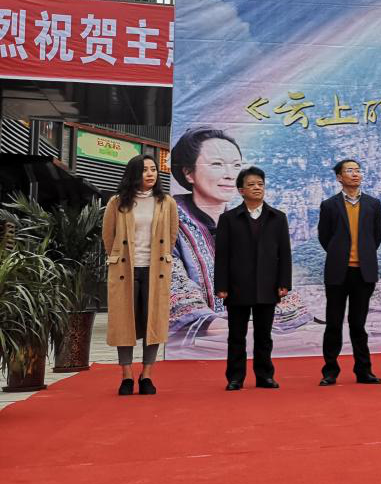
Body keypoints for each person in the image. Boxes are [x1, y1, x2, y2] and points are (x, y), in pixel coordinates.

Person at [169, 127, 310, 340]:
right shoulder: (171, 221)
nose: (230, 175)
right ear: (188, 172)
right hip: (202, 339)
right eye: (217, 164)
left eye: (236, 165)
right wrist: (213, 323)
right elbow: (172, 281)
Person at [103, 154, 177, 396]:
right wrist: (118, 258)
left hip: (156, 270)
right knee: (123, 322)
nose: (150, 174)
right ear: (134, 173)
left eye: (153, 169)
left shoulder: (166, 202)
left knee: (152, 321)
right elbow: (108, 236)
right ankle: (126, 375)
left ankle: (147, 375)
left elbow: (172, 235)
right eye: (145, 170)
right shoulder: (117, 202)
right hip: (125, 269)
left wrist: (162, 257)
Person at [214, 166, 291, 390]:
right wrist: (221, 285)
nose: (257, 188)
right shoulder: (228, 219)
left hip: (268, 285)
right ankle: (235, 377)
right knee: (236, 335)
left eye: (260, 184)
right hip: (237, 286)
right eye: (251, 185)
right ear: (241, 191)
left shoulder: (277, 218)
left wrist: (284, 282)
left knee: (264, 335)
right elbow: (222, 256)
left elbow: (284, 254)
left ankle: (265, 376)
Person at [317, 159, 381, 386]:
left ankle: (364, 371)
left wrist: (363, 255)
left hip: (363, 273)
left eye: (357, 170)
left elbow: (376, 236)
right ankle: (330, 372)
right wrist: (340, 253)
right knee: (333, 323)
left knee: (358, 324)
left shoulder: (373, 204)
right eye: (349, 170)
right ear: (339, 177)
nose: (355, 174)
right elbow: (324, 237)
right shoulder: (329, 205)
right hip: (338, 272)